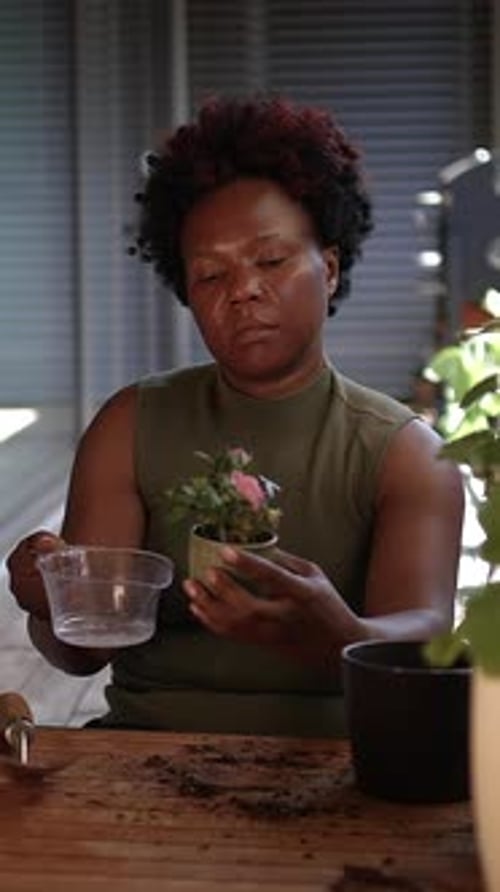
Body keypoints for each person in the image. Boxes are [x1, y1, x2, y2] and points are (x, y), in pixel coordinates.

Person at [7, 95, 464, 737]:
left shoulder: (407, 454)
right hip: (140, 760)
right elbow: (86, 654)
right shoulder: (130, 424)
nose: (243, 290)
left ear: (328, 269)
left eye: (271, 261)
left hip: (331, 768)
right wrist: (50, 603)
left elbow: (423, 645)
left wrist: (341, 636)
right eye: (209, 276)